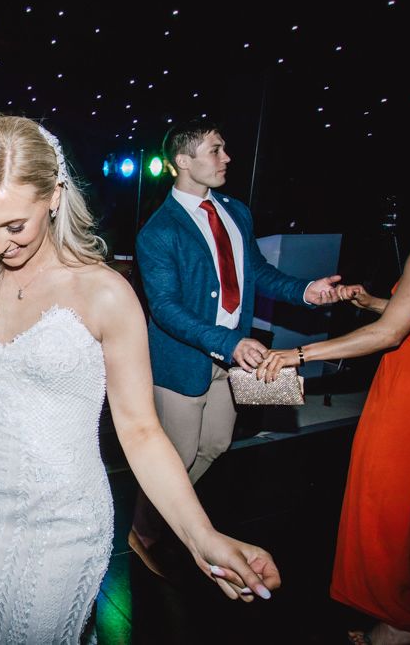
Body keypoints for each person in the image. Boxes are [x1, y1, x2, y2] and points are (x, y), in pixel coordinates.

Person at [0, 14, 282, 644]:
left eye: (15, 225)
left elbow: (141, 430)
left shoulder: (104, 293)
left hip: (60, 524)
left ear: (54, 196)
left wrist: (201, 534)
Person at [129, 117, 342, 578]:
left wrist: (306, 290)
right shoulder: (159, 231)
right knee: (179, 455)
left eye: (224, 150)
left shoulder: (235, 211)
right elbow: (164, 308)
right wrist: (230, 342)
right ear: (183, 161)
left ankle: (176, 515)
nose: (226, 158)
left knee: (217, 443)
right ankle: (146, 529)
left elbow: (257, 273)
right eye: (215, 150)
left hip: (232, 357)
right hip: (185, 361)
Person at [258, 240, 410, 645]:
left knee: (381, 508)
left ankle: (399, 624)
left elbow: (390, 335)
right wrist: (373, 303)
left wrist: (296, 354)